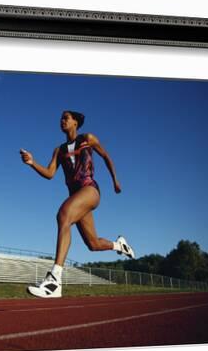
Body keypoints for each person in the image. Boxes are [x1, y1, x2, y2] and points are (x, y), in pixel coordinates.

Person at [20, 110, 135, 298]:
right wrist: (32, 163)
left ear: (75, 122)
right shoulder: (59, 150)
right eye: (61, 118)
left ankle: (55, 280)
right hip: (76, 197)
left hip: (90, 190)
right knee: (93, 244)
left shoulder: (87, 138)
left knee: (63, 215)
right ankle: (119, 245)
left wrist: (115, 180)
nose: (62, 120)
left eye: (66, 118)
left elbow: (106, 156)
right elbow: (50, 174)